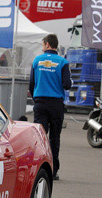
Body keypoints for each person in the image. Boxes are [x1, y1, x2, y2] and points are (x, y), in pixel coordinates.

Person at [29, 34, 72, 180]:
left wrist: (36, 98)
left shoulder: (37, 60)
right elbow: (67, 84)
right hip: (56, 104)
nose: (42, 47)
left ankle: (38, 169)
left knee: (40, 138)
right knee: (54, 137)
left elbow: (31, 83)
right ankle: (53, 171)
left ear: (47, 44)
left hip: (40, 102)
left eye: (42, 44)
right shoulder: (63, 62)